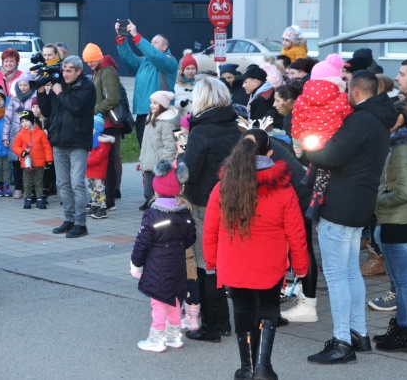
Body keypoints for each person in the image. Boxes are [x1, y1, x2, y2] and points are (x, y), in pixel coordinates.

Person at [305, 70, 396, 364]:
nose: (344, 94)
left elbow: (329, 156)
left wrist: (308, 147)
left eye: (346, 89)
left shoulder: (359, 120)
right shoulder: (380, 118)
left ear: (356, 90)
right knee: (350, 271)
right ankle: (359, 333)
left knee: (336, 276)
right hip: (360, 204)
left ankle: (342, 341)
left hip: (341, 205)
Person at [204, 130, 308, 378]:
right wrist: (301, 267)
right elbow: (296, 232)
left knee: (242, 311)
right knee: (269, 309)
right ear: (269, 153)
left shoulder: (223, 186)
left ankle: (246, 368)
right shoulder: (283, 189)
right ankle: (263, 366)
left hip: (233, 264)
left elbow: (210, 229)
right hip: (270, 265)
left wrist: (211, 262)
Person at [182, 78, 241, 343]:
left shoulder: (201, 131)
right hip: (231, 199)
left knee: (206, 264)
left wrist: (178, 160)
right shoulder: (233, 125)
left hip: (204, 202)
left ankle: (211, 325)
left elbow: (189, 173)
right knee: (223, 261)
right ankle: (225, 322)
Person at [370, 100, 407, 353]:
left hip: (397, 221)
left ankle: (403, 333)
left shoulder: (401, 150)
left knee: (403, 283)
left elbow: (405, 192)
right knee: (406, 281)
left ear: (399, 120)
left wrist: (375, 200)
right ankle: (400, 328)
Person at [130, 160, 195, 353]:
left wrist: (136, 263)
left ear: (156, 188)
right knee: (175, 300)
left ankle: (156, 338)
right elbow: (190, 238)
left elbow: (143, 242)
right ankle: (174, 336)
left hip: (157, 265)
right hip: (177, 264)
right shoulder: (185, 213)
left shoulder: (152, 214)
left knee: (158, 302)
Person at [37, 55, 96, 239]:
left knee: (77, 184)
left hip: (78, 142)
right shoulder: (59, 85)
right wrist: (40, 92)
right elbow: (47, 112)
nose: (65, 73)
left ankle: (80, 223)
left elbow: (76, 107)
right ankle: (68, 220)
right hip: (59, 141)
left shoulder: (87, 87)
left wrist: (59, 93)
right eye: (63, 69)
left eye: (69, 70)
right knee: (63, 184)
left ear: (79, 71)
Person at [291, 54, 353, 221]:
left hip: (309, 140)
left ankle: (308, 179)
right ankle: (315, 204)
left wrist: (297, 141)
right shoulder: (341, 98)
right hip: (331, 142)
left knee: (316, 163)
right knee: (324, 175)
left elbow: (296, 119)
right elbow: (349, 117)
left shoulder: (301, 98)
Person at [115, 19, 178, 145]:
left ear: (164, 47)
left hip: (162, 112)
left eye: (155, 42)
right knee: (144, 148)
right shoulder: (144, 61)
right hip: (143, 111)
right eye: (151, 42)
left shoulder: (169, 61)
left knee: (162, 146)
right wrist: (121, 38)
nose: (151, 44)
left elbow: (155, 55)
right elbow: (128, 58)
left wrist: (136, 36)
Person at [83, 43, 122, 212]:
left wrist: (94, 110)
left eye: (91, 61)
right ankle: (101, 198)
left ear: (98, 57)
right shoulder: (100, 70)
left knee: (107, 163)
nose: (89, 64)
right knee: (104, 162)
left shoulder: (106, 71)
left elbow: (112, 98)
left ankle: (109, 199)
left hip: (106, 123)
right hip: (101, 122)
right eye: (87, 62)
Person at [138, 91, 179, 209]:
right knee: (148, 192)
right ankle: (153, 208)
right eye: (151, 102)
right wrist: (142, 159)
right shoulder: (151, 118)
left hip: (159, 165)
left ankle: (159, 210)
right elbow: (146, 143)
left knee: (156, 192)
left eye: (155, 103)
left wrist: (165, 166)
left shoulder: (167, 123)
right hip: (149, 162)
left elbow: (170, 146)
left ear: (162, 105)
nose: (151, 105)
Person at [3, 73, 36, 200]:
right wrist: (5, 137)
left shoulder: (33, 97)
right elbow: (7, 118)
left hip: (29, 134)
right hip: (15, 134)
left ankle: (30, 188)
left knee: (29, 160)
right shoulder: (13, 99)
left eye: (25, 85)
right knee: (16, 162)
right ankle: (18, 187)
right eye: (20, 85)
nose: (23, 87)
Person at [12, 111, 53, 209]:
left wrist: (49, 160)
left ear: (32, 120)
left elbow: (46, 147)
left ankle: (39, 198)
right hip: (27, 164)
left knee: (39, 182)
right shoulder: (20, 134)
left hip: (39, 163)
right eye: (22, 121)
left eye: (26, 120)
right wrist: (22, 153)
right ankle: (27, 198)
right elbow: (15, 146)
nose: (24, 123)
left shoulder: (40, 133)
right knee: (27, 182)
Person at [85, 115, 115, 219]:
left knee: (99, 189)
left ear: (96, 129)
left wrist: (85, 162)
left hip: (97, 171)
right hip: (90, 171)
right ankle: (94, 205)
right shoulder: (91, 140)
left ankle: (102, 208)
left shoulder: (102, 142)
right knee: (92, 189)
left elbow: (98, 158)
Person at [175, 50, 197, 116]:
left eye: (193, 68)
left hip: (198, 121)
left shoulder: (200, 85)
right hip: (182, 122)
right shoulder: (176, 86)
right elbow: (170, 106)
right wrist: (180, 104)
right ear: (183, 71)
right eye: (187, 68)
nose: (190, 71)